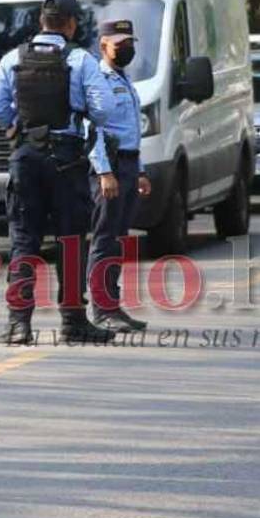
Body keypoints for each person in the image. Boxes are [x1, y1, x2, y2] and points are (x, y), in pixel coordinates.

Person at [0, 0, 113, 345]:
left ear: (41, 21)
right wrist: (79, 115)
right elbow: (104, 110)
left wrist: (20, 124)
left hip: (26, 157)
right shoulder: (81, 60)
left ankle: (18, 325)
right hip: (67, 160)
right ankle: (73, 322)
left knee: (24, 240)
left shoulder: (12, 57)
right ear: (71, 24)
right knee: (71, 241)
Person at [86, 19, 151, 334]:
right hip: (109, 169)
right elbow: (95, 130)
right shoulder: (98, 79)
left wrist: (139, 171)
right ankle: (101, 309)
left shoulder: (125, 80)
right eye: (120, 44)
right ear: (103, 45)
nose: (127, 49)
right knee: (104, 239)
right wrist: (104, 172)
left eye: (130, 43)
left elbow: (131, 131)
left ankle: (113, 305)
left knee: (118, 240)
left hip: (127, 165)